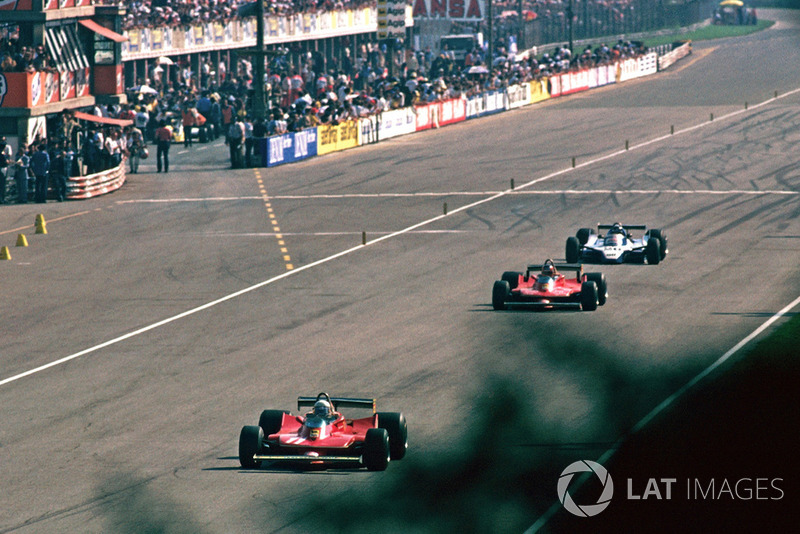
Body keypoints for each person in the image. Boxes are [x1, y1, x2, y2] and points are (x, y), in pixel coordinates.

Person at [0, 138, 9, 203]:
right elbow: (5, 162)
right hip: (2, 169)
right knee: (2, 184)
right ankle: (2, 198)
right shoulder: (2, 155)